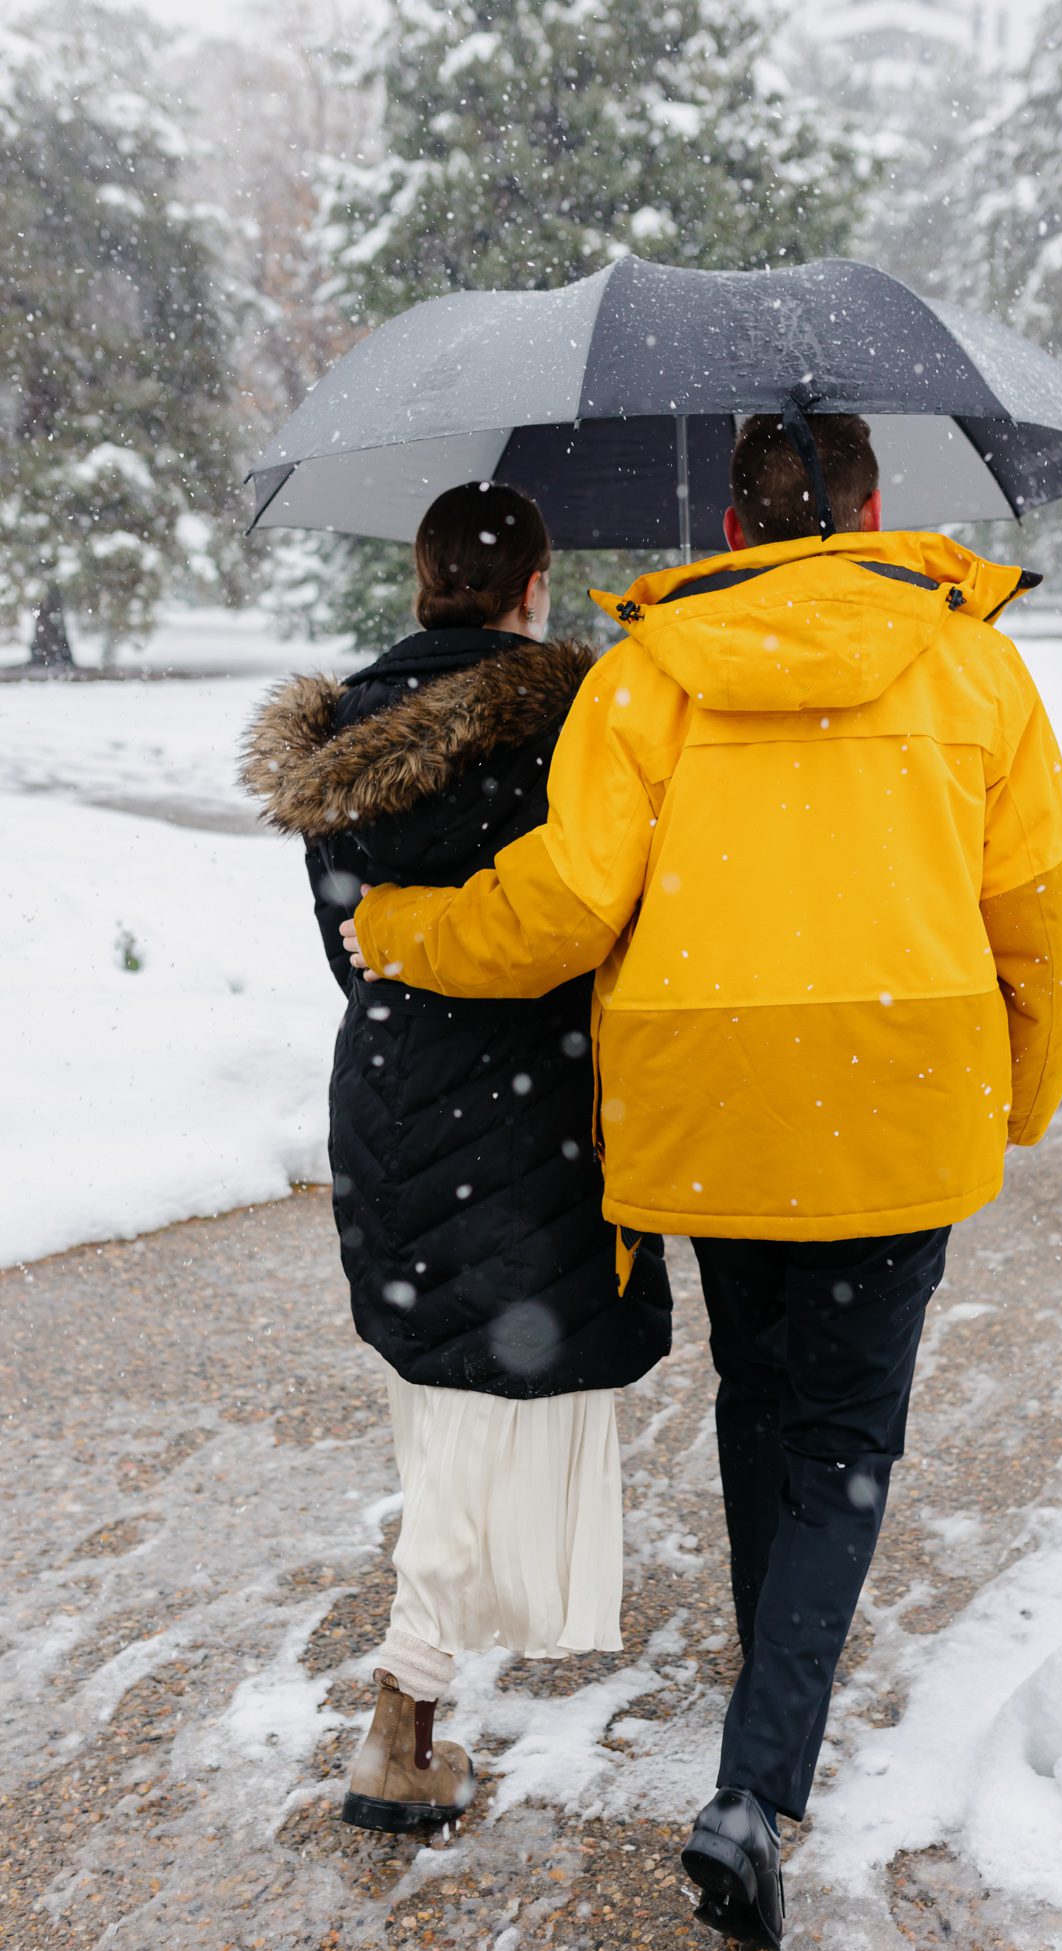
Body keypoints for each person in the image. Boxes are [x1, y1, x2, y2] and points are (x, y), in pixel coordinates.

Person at [339, 417, 1062, 1942]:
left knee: (764, 1398)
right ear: (875, 506)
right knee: (842, 1438)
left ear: (734, 525)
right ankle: (761, 1777)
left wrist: (405, 938)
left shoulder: (649, 674)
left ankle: (772, 1686)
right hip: (898, 1099)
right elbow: (1041, 918)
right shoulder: (974, 670)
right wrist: (1011, 1096)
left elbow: (561, 902)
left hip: (709, 1108)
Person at [240, 481, 671, 1835]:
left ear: (421, 579)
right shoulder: (573, 726)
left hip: (386, 1091)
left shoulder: (342, 746)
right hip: (536, 1103)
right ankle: (405, 1711)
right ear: (533, 584)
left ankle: (421, 1694)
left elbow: (354, 950)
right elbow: (601, 915)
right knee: (496, 1399)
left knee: (444, 1388)